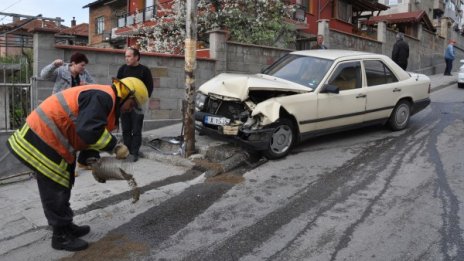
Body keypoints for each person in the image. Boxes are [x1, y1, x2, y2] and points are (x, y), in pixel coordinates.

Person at [6, 77, 148, 251]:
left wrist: (93, 161)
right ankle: (60, 236)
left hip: (53, 139)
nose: (130, 110)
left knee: (65, 182)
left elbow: (89, 137)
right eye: (132, 105)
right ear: (126, 94)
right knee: (55, 186)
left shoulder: (107, 102)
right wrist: (115, 146)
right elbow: (89, 130)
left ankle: (66, 225)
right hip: (41, 137)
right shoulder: (103, 98)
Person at [41, 52, 98, 170]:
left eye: (84, 65)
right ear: (73, 63)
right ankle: (63, 164)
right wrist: (53, 65)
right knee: (62, 138)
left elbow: (95, 86)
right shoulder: (61, 71)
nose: (84, 68)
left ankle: (78, 163)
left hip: (76, 111)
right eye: (82, 65)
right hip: (60, 109)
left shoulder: (84, 74)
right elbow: (44, 75)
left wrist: (86, 85)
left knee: (76, 136)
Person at [116, 47, 153, 162]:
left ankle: (134, 152)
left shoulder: (144, 70)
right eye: (125, 56)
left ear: (136, 57)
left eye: (129, 56)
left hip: (138, 104)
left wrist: (140, 100)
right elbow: (118, 86)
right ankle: (127, 151)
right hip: (124, 104)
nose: (126, 59)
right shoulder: (122, 69)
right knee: (126, 129)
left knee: (136, 129)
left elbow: (149, 88)